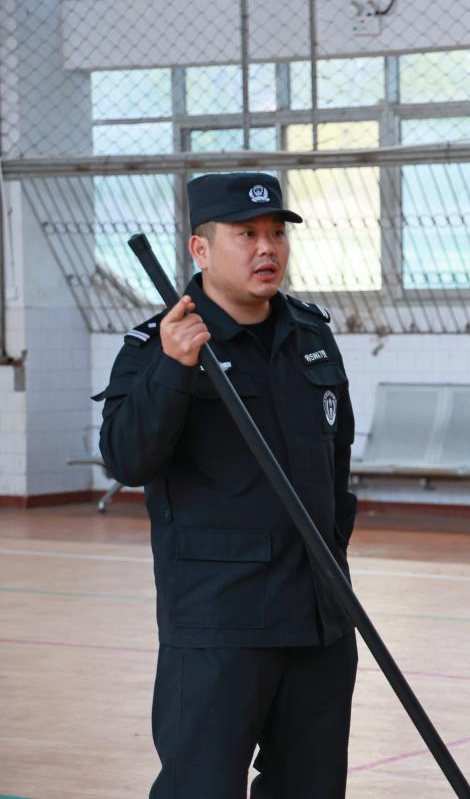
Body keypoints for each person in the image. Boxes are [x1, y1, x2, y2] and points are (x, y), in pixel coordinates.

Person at [95, 172, 359, 798]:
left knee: (312, 788)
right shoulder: (158, 345)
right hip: (222, 619)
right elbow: (127, 460)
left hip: (319, 613)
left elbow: (336, 455)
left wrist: (333, 556)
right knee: (202, 788)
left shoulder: (310, 332)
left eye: (276, 234)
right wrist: (172, 370)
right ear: (201, 249)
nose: (267, 248)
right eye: (246, 234)